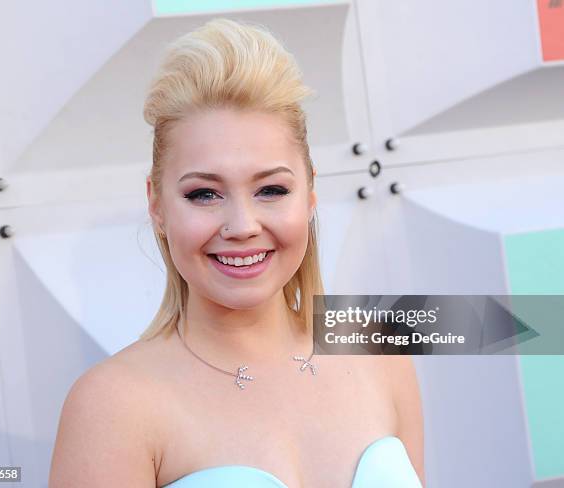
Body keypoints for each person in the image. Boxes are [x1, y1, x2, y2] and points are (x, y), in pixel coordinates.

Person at [49, 18, 425, 487]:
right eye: (204, 194)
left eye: (271, 189)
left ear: (310, 194)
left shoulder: (379, 350)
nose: (243, 226)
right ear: (156, 205)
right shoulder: (113, 406)